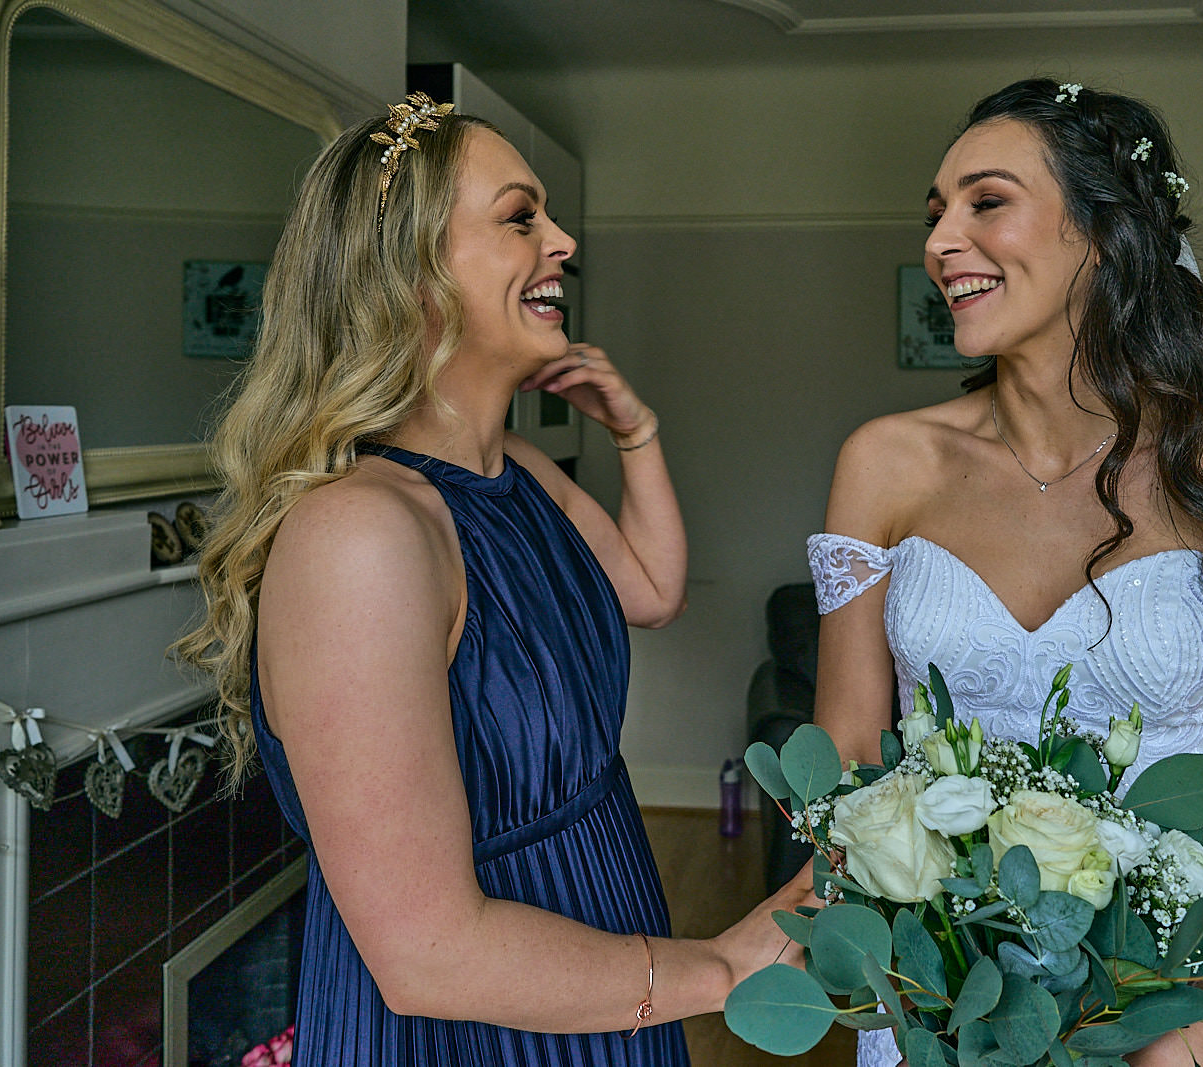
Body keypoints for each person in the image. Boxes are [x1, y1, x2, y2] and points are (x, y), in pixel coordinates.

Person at [175, 94, 808, 1066]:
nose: (561, 240)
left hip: (598, 964)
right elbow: (429, 954)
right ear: (412, 270)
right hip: (470, 1027)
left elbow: (649, 589)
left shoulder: (519, 473)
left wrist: (636, 434)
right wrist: (719, 969)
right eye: (520, 217)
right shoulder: (360, 534)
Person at [808, 78, 1203, 1067]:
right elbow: (843, 761)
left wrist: (1185, 1046)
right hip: (940, 1014)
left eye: (987, 200)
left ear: (1103, 233)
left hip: (1180, 1017)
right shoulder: (885, 462)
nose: (939, 240)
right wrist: (902, 974)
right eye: (934, 212)